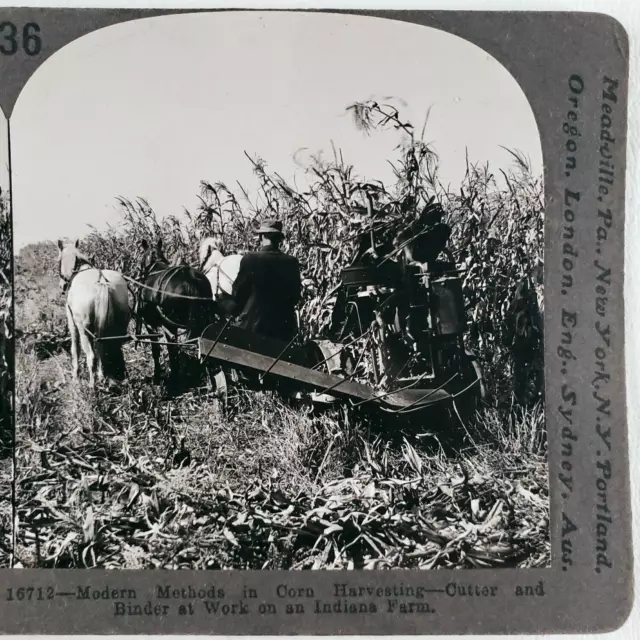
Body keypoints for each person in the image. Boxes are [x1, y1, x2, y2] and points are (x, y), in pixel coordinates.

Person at [232, 219, 302, 342]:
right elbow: (296, 296)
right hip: (283, 331)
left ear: (261, 237)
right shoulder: (292, 262)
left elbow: (237, 293)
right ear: (279, 239)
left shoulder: (250, 259)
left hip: (252, 329)